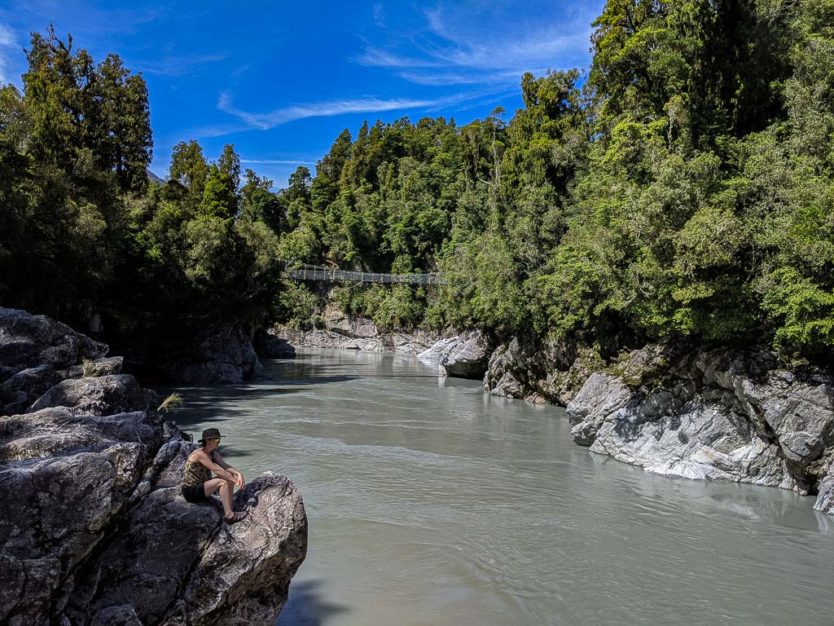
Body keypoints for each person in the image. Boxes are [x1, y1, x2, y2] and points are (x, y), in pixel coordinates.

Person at [181, 428, 246, 523]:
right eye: (216, 439)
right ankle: (229, 516)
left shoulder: (213, 453)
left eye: (219, 439)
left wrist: (238, 474)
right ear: (208, 441)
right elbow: (217, 470)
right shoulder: (200, 454)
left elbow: (225, 466)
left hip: (203, 486)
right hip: (191, 491)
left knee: (230, 475)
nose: (219, 442)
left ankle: (229, 508)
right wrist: (236, 482)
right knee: (223, 481)